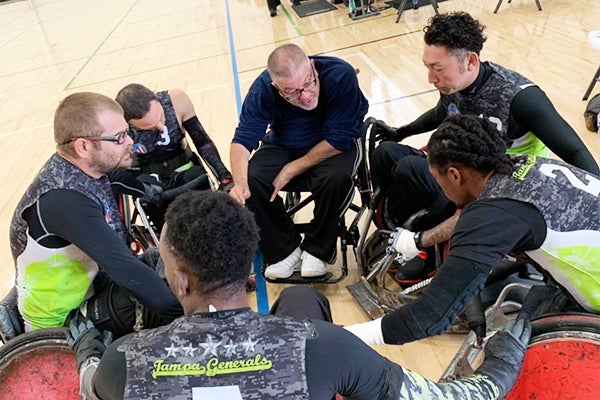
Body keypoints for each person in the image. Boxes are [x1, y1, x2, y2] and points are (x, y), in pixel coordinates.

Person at [67, 190, 532, 400]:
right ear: (248, 268)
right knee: (302, 306)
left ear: (181, 281)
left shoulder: (123, 362)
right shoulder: (324, 348)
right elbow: (457, 398)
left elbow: (88, 384)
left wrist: (87, 349)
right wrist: (505, 353)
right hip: (315, 355)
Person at [372, 11, 599, 274]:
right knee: (386, 153)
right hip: (463, 171)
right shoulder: (454, 84)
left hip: (503, 183)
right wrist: (401, 132)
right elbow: (440, 112)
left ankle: (426, 250)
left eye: (438, 68)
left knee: (410, 168)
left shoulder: (519, 97)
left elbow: (574, 151)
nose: (431, 78)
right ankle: (401, 231)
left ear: (470, 60)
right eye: (427, 67)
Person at [345, 114, 600, 346]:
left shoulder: (492, 215)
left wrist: (348, 335)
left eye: (437, 179)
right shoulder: (525, 164)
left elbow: (429, 317)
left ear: (454, 176)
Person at [9, 92, 182, 337]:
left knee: (168, 259)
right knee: (164, 304)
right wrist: (193, 318)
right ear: (83, 146)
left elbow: (120, 179)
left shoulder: (85, 168)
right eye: (120, 137)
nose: (130, 141)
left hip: (91, 289)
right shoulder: (64, 201)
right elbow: (127, 271)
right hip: (62, 323)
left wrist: (158, 193)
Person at [229, 43, 369, 279]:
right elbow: (242, 140)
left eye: (308, 83)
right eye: (292, 92)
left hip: (332, 145)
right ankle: (284, 250)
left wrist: (290, 170)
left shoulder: (340, 75)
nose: (305, 96)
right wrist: (240, 184)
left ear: (312, 67)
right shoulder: (262, 89)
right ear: (276, 87)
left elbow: (338, 140)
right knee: (252, 178)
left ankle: (318, 249)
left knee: (334, 178)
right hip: (284, 143)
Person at [111, 83, 233, 230]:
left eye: (161, 118)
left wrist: (224, 176)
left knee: (197, 181)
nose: (161, 127)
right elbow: (114, 171)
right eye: (150, 127)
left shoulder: (176, 100)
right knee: (149, 195)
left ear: (155, 96)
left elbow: (203, 142)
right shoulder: (117, 127)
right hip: (149, 178)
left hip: (184, 169)